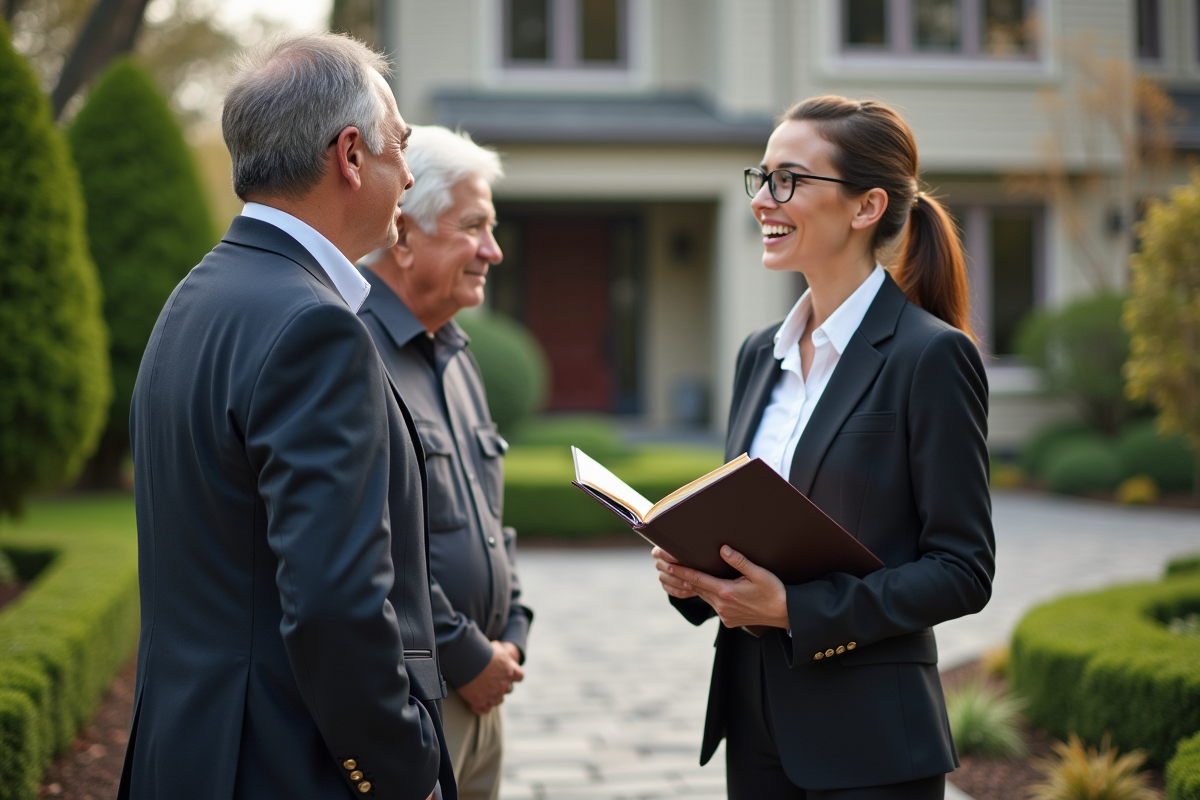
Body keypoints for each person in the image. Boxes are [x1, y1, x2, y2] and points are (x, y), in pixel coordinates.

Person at [120, 34, 454, 800]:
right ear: (351, 155)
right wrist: (401, 771)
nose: (408, 175)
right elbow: (336, 607)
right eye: (400, 147)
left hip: (184, 753)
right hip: (284, 765)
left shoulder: (194, 299)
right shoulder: (316, 328)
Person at [652, 96, 995, 799]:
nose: (763, 200)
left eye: (790, 180)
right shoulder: (759, 355)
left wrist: (795, 611)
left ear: (866, 207)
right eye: (763, 177)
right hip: (753, 723)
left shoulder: (931, 357)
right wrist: (695, 575)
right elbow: (754, 530)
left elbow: (962, 569)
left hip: (871, 743)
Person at [358, 125, 532, 800]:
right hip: (419, 698)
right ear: (403, 234)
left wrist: (513, 632)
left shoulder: (457, 354)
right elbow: (372, 544)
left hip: (486, 689)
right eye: (473, 228)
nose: (493, 251)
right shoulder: (350, 354)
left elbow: (489, 519)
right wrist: (467, 657)